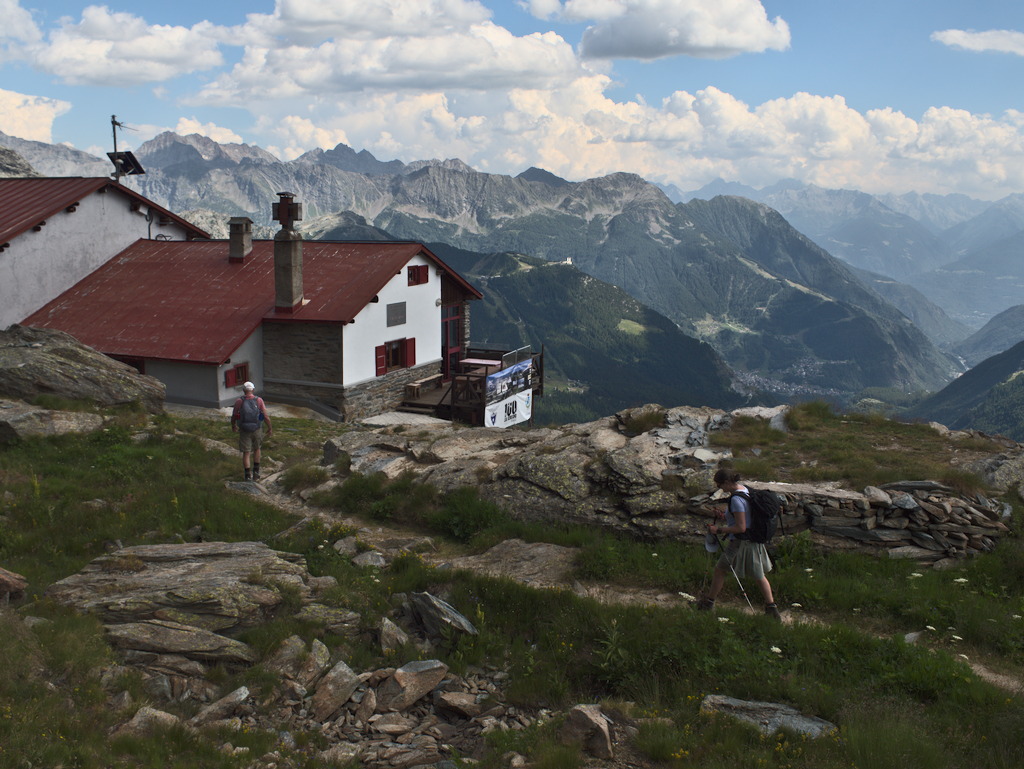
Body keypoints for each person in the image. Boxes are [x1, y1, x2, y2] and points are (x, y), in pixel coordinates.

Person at [699, 468, 781, 621]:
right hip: (752, 540)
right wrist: (724, 516)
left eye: (719, 484)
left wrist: (718, 529)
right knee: (750, 574)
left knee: (727, 571)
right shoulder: (745, 490)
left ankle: (708, 605)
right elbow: (745, 516)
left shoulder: (736, 500)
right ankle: (771, 609)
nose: (719, 488)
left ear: (727, 482)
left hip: (742, 543)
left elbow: (740, 527)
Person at [230, 381, 272, 481]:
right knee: (257, 449)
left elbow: (234, 416)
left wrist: (233, 426)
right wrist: (270, 427)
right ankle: (256, 473)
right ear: (252, 389)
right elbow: (265, 416)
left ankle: (247, 475)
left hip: (244, 429)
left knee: (246, 452)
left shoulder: (239, 401)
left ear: (244, 390)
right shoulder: (259, 400)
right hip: (257, 428)